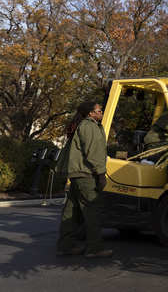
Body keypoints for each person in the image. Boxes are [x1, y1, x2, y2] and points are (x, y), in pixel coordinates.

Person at [56, 100, 112, 258]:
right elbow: (93, 153)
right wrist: (101, 174)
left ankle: (65, 246)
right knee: (92, 211)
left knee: (71, 211)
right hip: (86, 175)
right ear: (91, 113)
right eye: (99, 111)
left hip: (76, 175)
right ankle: (94, 248)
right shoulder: (89, 126)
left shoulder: (83, 125)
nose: (101, 113)